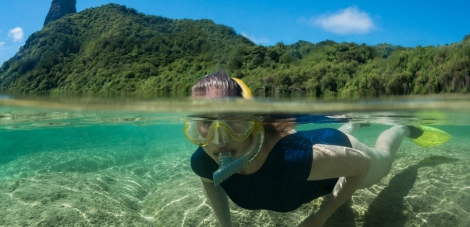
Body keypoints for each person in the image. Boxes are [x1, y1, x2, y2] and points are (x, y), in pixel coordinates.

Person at [186, 72, 451, 227]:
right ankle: (351, 124)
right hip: (321, 154)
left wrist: (321, 217)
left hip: (335, 151)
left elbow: (361, 167)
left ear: (253, 121)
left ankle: (400, 127)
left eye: (233, 121)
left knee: (382, 158)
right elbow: (210, 183)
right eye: (206, 124)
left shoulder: (295, 158)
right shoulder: (204, 160)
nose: (219, 139)